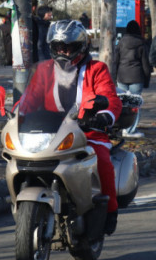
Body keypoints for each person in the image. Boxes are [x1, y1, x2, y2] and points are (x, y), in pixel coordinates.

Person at [15, 20, 121, 234]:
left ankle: (110, 210)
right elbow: (31, 97)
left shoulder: (96, 69)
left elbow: (109, 97)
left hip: (86, 131)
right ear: (52, 47)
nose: (64, 51)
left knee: (102, 160)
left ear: (81, 47)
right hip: (51, 132)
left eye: (69, 47)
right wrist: (16, 114)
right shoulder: (44, 70)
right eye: (58, 47)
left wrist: (103, 116)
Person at [113, 20, 151, 138]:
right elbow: (145, 64)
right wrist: (147, 79)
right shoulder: (141, 43)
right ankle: (131, 129)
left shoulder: (121, 43)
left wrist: (114, 78)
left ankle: (122, 127)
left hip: (122, 76)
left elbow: (115, 61)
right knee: (135, 104)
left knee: (122, 103)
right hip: (136, 77)